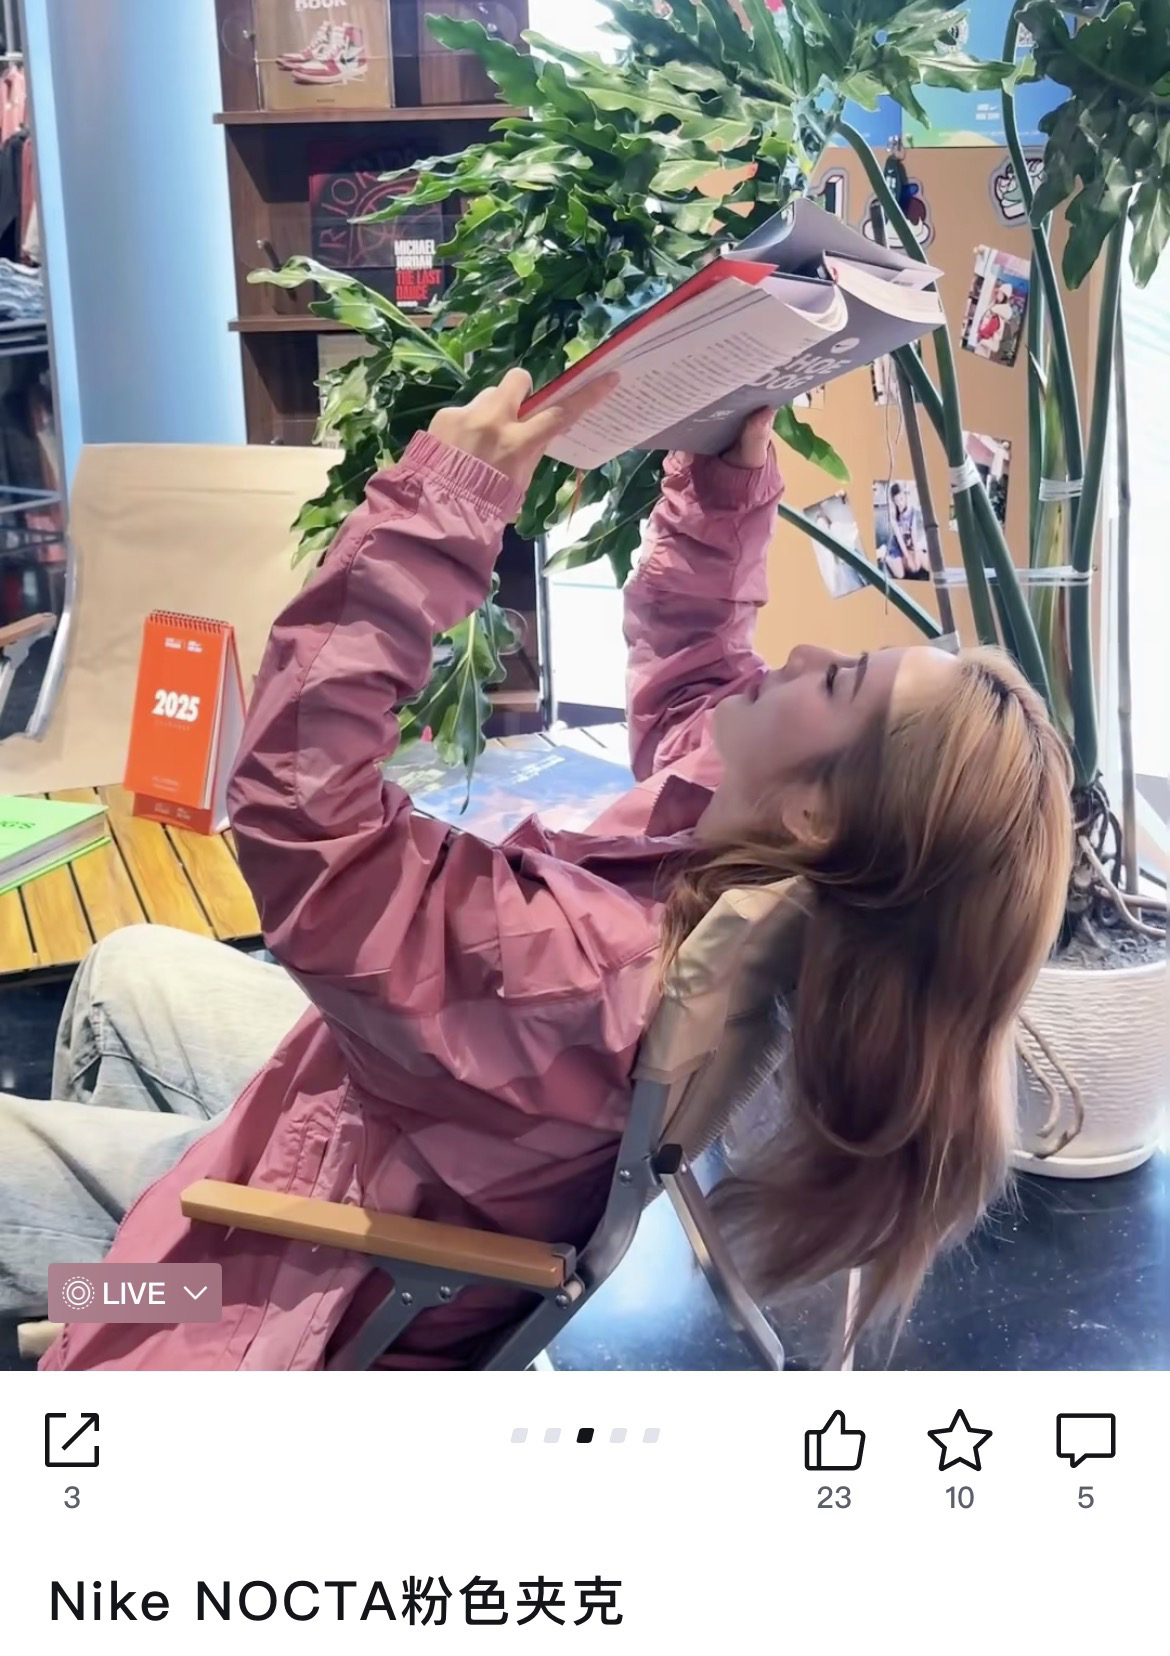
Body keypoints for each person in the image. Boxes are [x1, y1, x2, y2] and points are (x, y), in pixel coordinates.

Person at [1, 371, 1073, 1370]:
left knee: (94, 1201)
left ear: (819, 810)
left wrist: (437, 514)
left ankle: (135, 1329)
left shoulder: (574, 976)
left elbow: (304, 813)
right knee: (127, 965)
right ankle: (128, 1282)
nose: (801, 655)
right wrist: (725, 484)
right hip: (352, 1133)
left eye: (838, 682)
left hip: (298, 1259)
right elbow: (698, 677)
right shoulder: (760, 862)